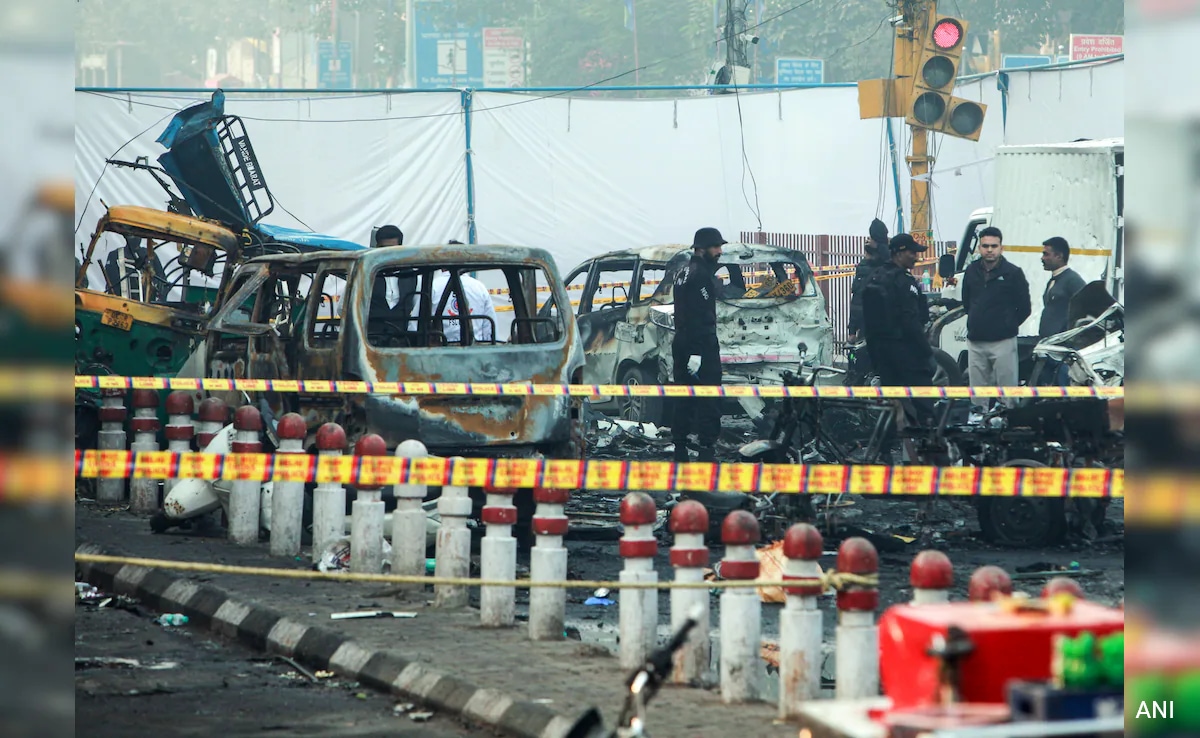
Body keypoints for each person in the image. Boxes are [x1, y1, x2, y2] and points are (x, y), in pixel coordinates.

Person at [861, 233, 935, 422]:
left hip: (882, 353)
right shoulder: (903, 281)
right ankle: (928, 446)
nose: (916, 257)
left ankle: (886, 449)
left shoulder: (875, 276)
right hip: (907, 352)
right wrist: (926, 353)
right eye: (912, 252)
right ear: (899, 253)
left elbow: (867, 320)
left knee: (891, 405)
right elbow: (910, 322)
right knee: (925, 405)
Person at [671, 227, 726, 463]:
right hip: (700, 343)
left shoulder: (682, 271)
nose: (719, 251)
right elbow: (699, 315)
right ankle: (706, 452)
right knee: (709, 398)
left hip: (682, 341)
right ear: (701, 249)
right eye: (715, 247)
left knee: (683, 398)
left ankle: (680, 449)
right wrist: (698, 351)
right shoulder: (701, 275)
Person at [961, 226, 1031, 409]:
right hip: (976, 342)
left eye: (994, 246)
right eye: (985, 246)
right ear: (979, 248)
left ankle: (1008, 431)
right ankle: (978, 427)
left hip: (1003, 342)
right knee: (977, 397)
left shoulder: (1013, 273)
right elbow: (967, 302)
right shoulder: (971, 271)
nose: (989, 250)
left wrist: (1007, 324)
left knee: (1008, 396)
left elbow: (1024, 307)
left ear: (1001, 248)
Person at [415, 268, 498, 344]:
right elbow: (490, 331)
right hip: (474, 350)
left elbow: (414, 326)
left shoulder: (433, 287)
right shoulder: (480, 288)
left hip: (440, 351)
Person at [847, 218, 891, 342]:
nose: (868, 240)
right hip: (865, 327)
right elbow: (856, 300)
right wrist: (852, 329)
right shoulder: (864, 267)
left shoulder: (888, 266)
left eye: (871, 238)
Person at [1038, 236, 1087, 338]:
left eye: (1046, 254)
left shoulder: (1073, 280)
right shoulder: (1053, 280)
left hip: (1062, 344)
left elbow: (1086, 308)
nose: (1042, 258)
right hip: (1048, 342)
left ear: (1059, 256)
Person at [369, 224, 417, 319]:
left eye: (392, 250)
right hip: (369, 333)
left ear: (400, 248)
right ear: (377, 247)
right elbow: (344, 308)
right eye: (384, 249)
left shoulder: (413, 276)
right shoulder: (364, 275)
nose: (388, 254)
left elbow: (417, 310)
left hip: (403, 332)